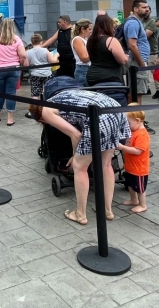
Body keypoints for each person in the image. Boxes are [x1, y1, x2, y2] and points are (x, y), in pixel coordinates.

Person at [28, 88, 130, 226]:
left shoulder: (46, 111)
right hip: (115, 110)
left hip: (100, 117)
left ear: (39, 119)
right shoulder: (57, 97)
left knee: (79, 167)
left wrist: (75, 156)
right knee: (105, 165)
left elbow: (75, 134)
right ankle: (107, 210)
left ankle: (80, 214)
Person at [0, 17, 27, 126]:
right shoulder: (16, 39)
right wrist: (20, 62)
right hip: (13, 68)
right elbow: (23, 55)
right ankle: (10, 119)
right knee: (11, 93)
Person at [117, 104, 150, 214]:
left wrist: (122, 147)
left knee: (140, 188)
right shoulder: (133, 131)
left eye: (128, 123)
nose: (127, 126)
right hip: (131, 166)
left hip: (139, 169)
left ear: (137, 120)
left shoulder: (142, 134)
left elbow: (137, 151)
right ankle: (134, 200)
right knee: (130, 184)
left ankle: (142, 204)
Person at [86, 13, 129, 92]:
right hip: (109, 77)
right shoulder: (111, 40)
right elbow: (122, 60)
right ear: (108, 26)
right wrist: (126, 57)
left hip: (92, 75)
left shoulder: (90, 40)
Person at [26, 32, 58, 100]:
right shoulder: (45, 50)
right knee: (48, 91)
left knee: (35, 94)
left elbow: (26, 65)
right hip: (47, 74)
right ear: (41, 42)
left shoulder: (28, 52)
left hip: (35, 74)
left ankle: (34, 109)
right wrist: (56, 55)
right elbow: (52, 61)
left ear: (31, 42)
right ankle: (47, 107)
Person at [71, 19, 92, 83]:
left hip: (87, 69)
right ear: (82, 29)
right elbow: (84, 58)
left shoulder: (85, 39)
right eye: (89, 29)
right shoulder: (78, 39)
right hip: (83, 70)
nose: (91, 31)